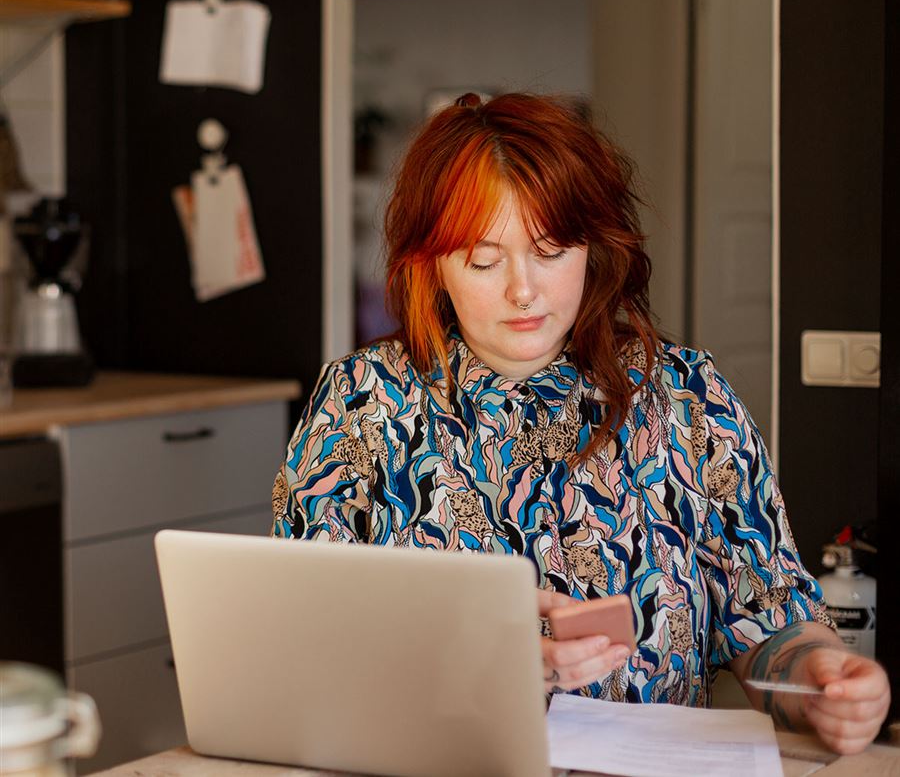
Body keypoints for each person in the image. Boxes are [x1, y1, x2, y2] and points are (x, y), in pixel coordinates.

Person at [271, 92, 890, 754]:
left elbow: (771, 622)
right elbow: (300, 646)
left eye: (551, 250)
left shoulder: (687, 399)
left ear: (592, 248)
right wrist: (472, 670)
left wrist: (821, 674)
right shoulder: (362, 402)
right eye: (483, 260)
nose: (523, 291)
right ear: (432, 266)